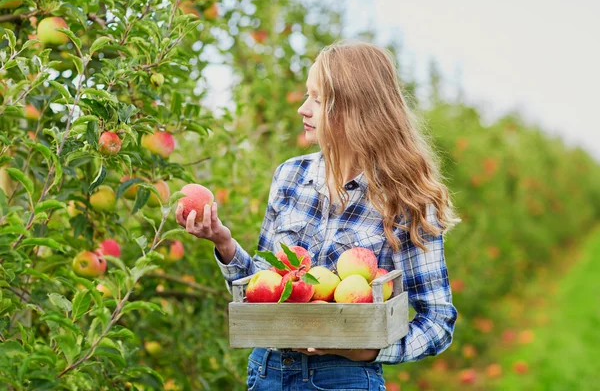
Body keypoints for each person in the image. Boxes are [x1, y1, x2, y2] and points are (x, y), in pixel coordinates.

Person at [176, 40, 459, 390]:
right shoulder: (290, 177)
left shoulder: (404, 198)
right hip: (267, 372)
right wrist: (224, 243)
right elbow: (266, 290)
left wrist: (371, 350)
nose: (302, 109)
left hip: (342, 378)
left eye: (317, 99)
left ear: (353, 109)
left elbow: (438, 320)